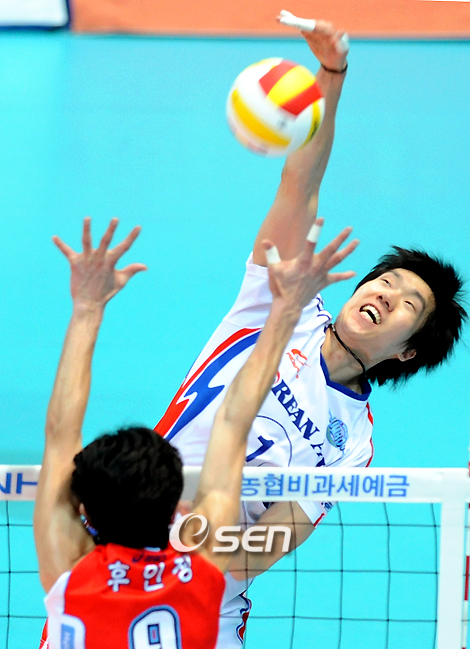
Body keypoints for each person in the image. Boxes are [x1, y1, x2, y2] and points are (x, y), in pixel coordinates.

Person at [155, 14, 468, 648]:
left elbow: (257, 554)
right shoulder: (281, 305)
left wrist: (177, 534)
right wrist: (330, 76)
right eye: (385, 281)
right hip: (119, 554)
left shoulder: (353, 443)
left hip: (206, 604)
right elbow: (300, 187)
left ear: (409, 350)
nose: (385, 294)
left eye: (408, 303)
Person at [34, 215, 358, 649]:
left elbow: (59, 435)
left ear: (84, 510)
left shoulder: (69, 572)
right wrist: (285, 310)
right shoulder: (203, 572)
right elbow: (232, 422)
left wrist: (87, 308)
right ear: (178, 510)